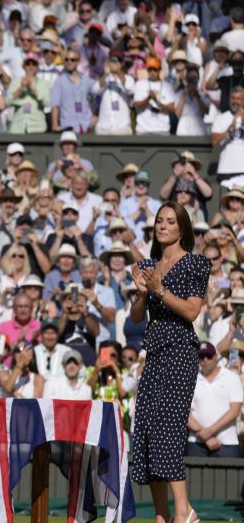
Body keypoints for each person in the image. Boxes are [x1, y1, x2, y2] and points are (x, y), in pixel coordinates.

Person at [130, 200, 209, 523]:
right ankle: (162, 516)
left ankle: (184, 510)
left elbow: (192, 311)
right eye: (159, 221)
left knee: (167, 428)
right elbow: (137, 318)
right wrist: (142, 292)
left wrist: (159, 290)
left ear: (182, 229)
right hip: (154, 352)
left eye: (170, 222)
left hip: (180, 351)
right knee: (147, 430)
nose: (162, 226)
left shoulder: (195, 263)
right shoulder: (148, 265)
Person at [187, 342, 243, 457]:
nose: (205, 360)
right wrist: (206, 437)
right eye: (201, 357)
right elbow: (185, 413)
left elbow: (235, 411)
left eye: (209, 356)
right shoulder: (190, 380)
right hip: (196, 442)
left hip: (227, 442)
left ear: (216, 357)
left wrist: (208, 432)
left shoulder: (232, 377)